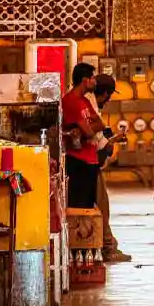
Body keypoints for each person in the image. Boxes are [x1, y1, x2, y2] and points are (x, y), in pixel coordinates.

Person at [93, 75, 131, 264]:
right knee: (101, 207)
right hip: (88, 165)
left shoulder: (88, 105)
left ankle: (107, 244)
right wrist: (111, 141)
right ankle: (107, 247)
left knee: (100, 206)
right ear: (106, 94)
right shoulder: (90, 107)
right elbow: (97, 143)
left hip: (87, 164)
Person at [61, 59, 103, 210]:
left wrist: (88, 128)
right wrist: (89, 128)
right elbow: (89, 131)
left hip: (90, 160)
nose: (94, 82)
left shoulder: (84, 101)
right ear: (85, 80)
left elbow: (101, 125)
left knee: (89, 206)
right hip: (79, 161)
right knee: (79, 207)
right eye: (92, 78)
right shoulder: (70, 101)